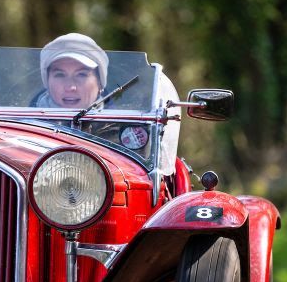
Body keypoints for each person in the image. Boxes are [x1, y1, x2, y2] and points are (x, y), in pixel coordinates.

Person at [34, 32, 182, 177]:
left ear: (100, 82)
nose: (70, 87)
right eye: (60, 75)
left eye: (82, 74)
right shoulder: (27, 128)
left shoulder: (129, 131)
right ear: (47, 81)